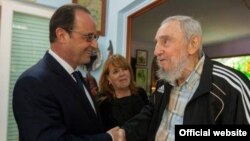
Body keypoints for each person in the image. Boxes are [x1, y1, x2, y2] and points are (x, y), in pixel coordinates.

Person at [121, 15, 250, 141]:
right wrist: (122, 132)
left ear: (192, 44)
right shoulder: (164, 82)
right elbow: (151, 114)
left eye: (165, 41)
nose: (156, 51)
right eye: (156, 43)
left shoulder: (232, 86)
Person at [12, 4, 124, 141]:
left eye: (95, 37)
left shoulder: (77, 76)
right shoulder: (32, 83)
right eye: (89, 37)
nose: (95, 45)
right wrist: (108, 138)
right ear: (62, 35)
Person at [97, 54, 149, 131]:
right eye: (116, 71)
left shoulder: (140, 93)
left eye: (124, 69)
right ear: (108, 78)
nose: (122, 74)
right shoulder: (103, 102)